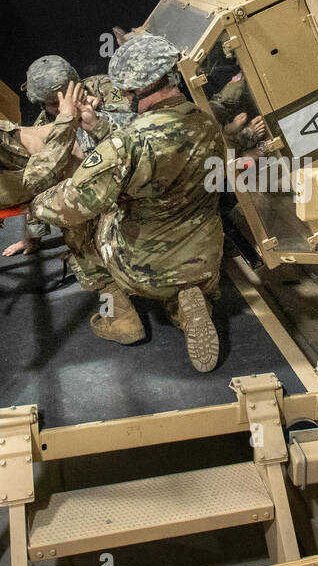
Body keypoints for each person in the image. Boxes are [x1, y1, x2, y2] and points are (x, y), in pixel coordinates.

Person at [29, 33, 227, 372]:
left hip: (142, 266)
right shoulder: (205, 123)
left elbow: (69, 204)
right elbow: (153, 153)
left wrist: (36, 203)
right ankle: (185, 303)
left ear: (135, 91)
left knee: (78, 232)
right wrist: (98, 126)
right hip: (205, 256)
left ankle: (117, 314)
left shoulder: (126, 144)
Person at [3, 52, 134, 257]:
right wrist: (33, 237)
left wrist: (100, 113)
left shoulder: (105, 88)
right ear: (42, 104)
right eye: (55, 104)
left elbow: (142, 128)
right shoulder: (44, 126)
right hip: (88, 192)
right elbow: (40, 182)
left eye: (69, 97)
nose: (64, 106)